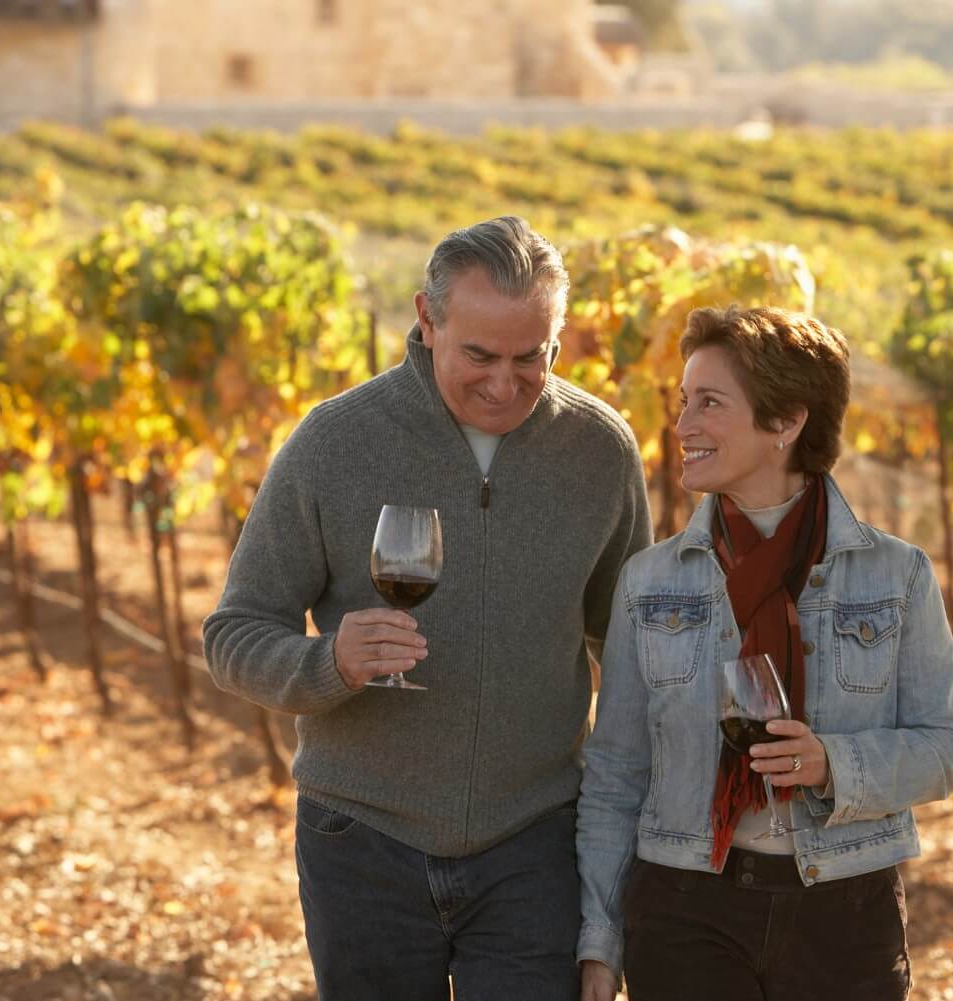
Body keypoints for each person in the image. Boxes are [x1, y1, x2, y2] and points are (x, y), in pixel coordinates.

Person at [203, 216, 652, 1001]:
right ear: (427, 317)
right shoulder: (334, 442)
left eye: (531, 357)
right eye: (478, 354)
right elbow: (234, 634)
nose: (504, 383)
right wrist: (328, 662)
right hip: (362, 840)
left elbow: (631, 652)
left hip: (536, 842)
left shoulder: (600, 450)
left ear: (559, 335)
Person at [576, 305, 953, 1001]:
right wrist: (600, 945)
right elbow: (615, 775)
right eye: (683, 402)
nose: (683, 424)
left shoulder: (895, 575)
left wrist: (832, 763)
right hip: (684, 908)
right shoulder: (651, 580)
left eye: (709, 403)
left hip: (843, 911)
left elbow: (948, 748)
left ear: (786, 421)